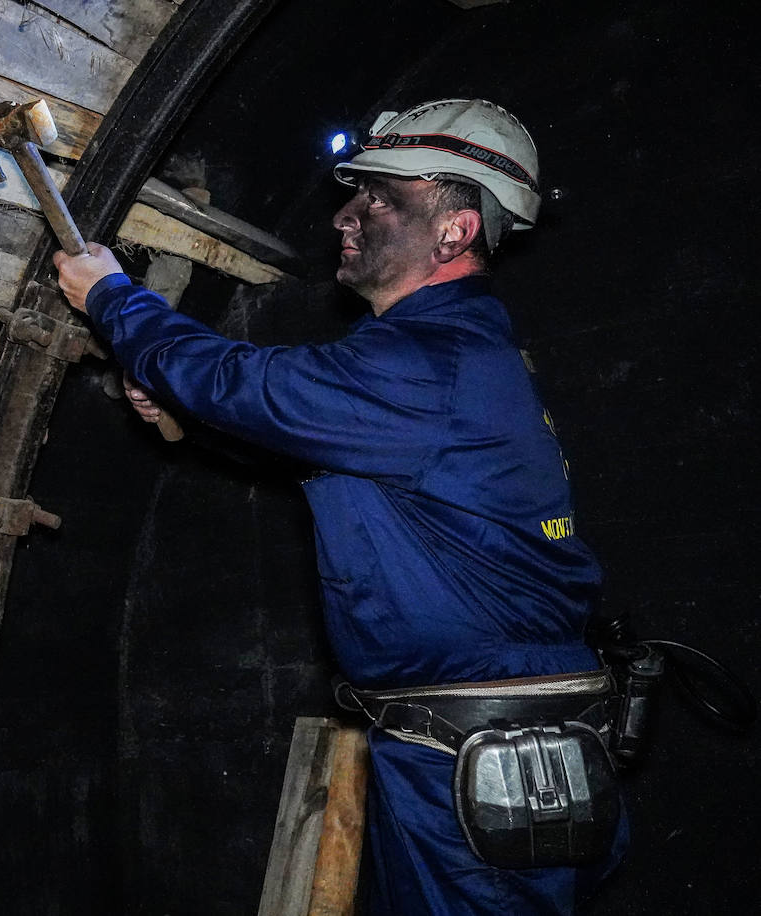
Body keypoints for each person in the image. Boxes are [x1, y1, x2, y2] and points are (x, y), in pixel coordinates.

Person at [54, 99, 626, 914]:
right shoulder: (445, 358)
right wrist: (193, 428)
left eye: (382, 199)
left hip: (487, 772)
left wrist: (114, 298)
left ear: (455, 232)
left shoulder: (433, 360)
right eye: (353, 194)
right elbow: (306, 439)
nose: (347, 214)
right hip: (464, 757)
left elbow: (248, 386)